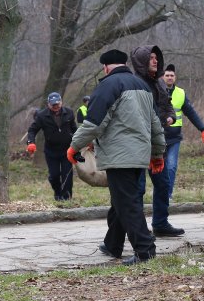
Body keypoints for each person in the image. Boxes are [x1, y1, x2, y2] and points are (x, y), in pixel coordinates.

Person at [67, 49, 165, 265]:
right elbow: (155, 124)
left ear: (105, 67)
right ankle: (113, 245)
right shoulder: (142, 86)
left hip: (119, 155)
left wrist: (74, 147)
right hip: (139, 154)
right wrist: (158, 153)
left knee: (127, 203)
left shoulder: (108, 86)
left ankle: (145, 250)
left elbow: (93, 124)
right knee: (122, 201)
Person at [130, 45, 183, 237]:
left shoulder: (159, 83)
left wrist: (171, 117)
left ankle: (160, 223)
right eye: (151, 58)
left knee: (163, 183)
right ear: (142, 60)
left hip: (159, 142)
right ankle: (138, 229)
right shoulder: (135, 83)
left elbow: (168, 105)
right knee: (138, 188)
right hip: (139, 143)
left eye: (156, 57)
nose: (155, 61)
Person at [162, 64, 204, 199]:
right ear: (162, 77)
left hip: (175, 137)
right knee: (161, 169)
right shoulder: (157, 92)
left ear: (175, 77)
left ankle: (167, 195)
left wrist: (202, 129)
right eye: (167, 75)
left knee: (171, 167)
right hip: (159, 137)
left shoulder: (180, 93)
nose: (170, 78)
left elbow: (191, 113)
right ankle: (160, 194)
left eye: (172, 75)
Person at [26, 92, 77, 201]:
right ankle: (58, 192)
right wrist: (31, 142)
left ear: (61, 102)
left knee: (67, 175)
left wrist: (82, 141)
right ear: (48, 104)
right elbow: (32, 130)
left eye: (57, 104)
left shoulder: (69, 113)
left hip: (67, 150)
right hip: (51, 151)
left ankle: (66, 198)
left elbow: (74, 129)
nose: (55, 106)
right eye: (53, 104)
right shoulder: (42, 116)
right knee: (54, 175)